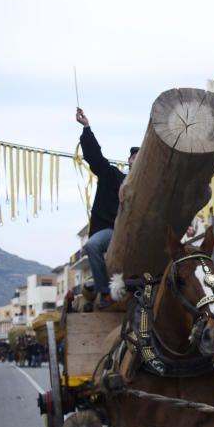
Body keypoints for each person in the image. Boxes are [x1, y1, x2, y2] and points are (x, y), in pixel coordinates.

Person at [76, 107, 137, 308]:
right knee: (92, 245)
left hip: (137, 234)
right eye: (135, 158)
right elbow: (95, 158)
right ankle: (105, 292)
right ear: (129, 161)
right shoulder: (112, 176)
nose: (138, 162)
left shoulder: (150, 189)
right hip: (111, 230)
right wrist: (87, 128)